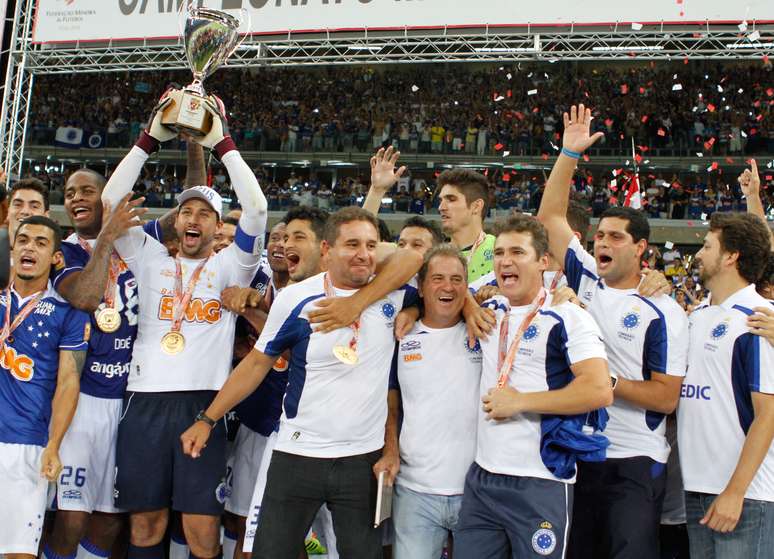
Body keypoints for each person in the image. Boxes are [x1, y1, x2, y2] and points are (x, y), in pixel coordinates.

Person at [180, 206, 423, 559]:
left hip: (361, 460)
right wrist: (207, 418)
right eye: (352, 244)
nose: (364, 254)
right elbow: (256, 364)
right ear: (327, 250)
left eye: (372, 245)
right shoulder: (297, 299)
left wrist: (356, 303)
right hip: (298, 453)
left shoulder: (394, 294)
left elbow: (412, 256)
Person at [100, 92, 268, 558]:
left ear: (217, 227)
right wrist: (149, 138)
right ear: (176, 222)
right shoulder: (149, 258)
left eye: (205, 214)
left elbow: (256, 209)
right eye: (186, 212)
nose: (193, 219)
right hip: (143, 403)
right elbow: (111, 201)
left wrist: (223, 144)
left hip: (204, 404)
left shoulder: (233, 266)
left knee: (200, 530)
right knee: (146, 526)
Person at [538, 104, 688, 559]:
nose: (602, 242)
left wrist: (606, 384)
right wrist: (568, 153)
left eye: (615, 237)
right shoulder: (585, 279)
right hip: (581, 452)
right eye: (600, 235)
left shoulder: (663, 310)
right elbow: (550, 219)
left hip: (635, 460)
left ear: (642, 247)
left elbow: (666, 398)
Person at [454, 214, 613, 558]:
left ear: (543, 261)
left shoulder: (568, 316)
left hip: (539, 481)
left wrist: (521, 401)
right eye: (498, 253)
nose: (505, 261)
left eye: (517, 252)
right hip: (483, 476)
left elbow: (599, 389)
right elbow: (446, 289)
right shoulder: (488, 309)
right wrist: (468, 305)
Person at [43, 170, 148, 559]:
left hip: (133, 399)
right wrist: (104, 239)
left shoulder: (139, 243)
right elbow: (86, 297)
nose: (76, 198)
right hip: (84, 398)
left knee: (111, 517)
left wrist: (194, 143)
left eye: (87, 190)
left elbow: (191, 209)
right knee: (71, 514)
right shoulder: (64, 252)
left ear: (106, 197)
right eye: (69, 193)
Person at [678, 212, 774, 558]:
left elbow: (768, 416)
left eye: (706, 246)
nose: (699, 254)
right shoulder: (698, 316)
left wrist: (736, 491)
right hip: (698, 487)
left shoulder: (759, 318)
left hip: (746, 496)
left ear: (731, 256)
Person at [0, 216, 89, 558]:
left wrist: (53, 445)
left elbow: (68, 381)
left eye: (40, 242)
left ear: (55, 257)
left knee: (19, 554)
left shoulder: (68, 312)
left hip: (28, 447)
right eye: (23, 239)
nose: (29, 247)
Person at [388, 245, 481, 559]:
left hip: (478, 491)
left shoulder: (486, 331)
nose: (448, 287)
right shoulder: (400, 335)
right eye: (438, 278)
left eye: (457, 279)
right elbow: (391, 399)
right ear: (420, 287)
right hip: (416, 491)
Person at [437, 169, 494, 282]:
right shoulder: (434, 255)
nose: (441, 207)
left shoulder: (499, 250)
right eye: (441, 200)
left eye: (451, 199)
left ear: (476, 206)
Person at [7, 178, 49, 246]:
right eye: (18, 204)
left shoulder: (58, 253)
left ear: (46, 215)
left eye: (34, 206)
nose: (25, 211)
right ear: (7, 211)